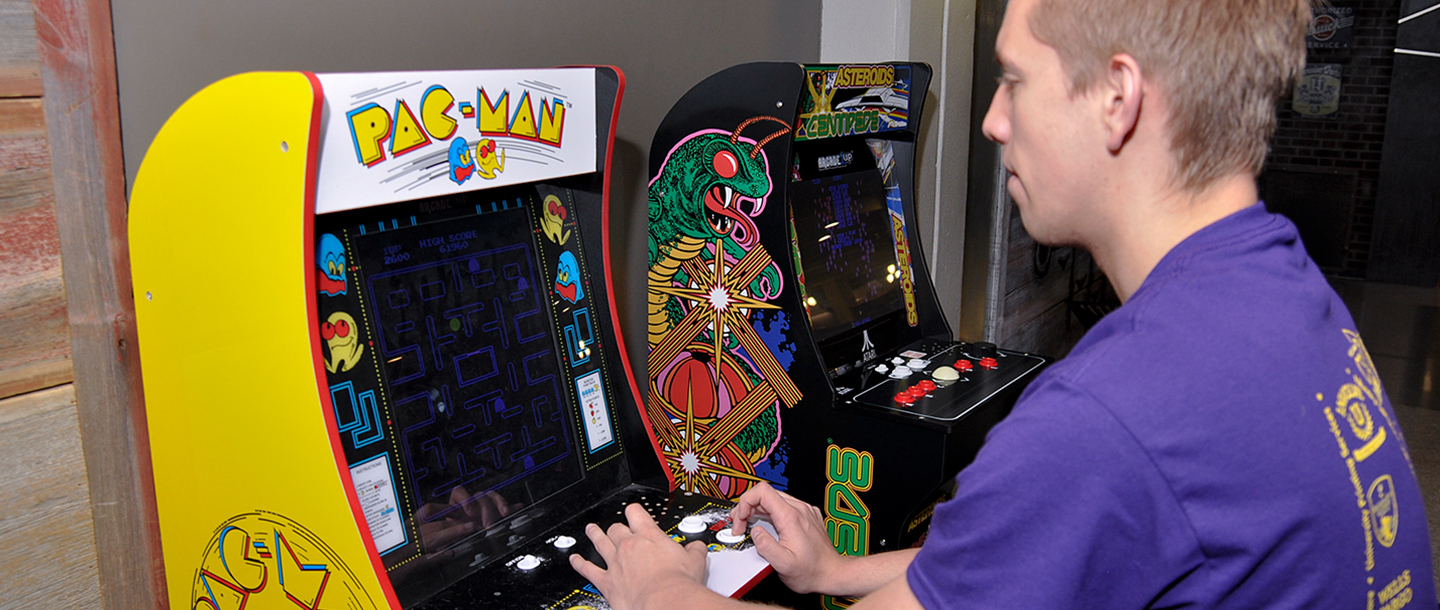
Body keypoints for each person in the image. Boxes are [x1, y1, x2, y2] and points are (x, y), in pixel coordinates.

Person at [571, 0, 1438, 607]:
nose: (990, 121)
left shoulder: (1113, 413)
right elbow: (1036, 561)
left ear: (1118, 98)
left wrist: (660, 592)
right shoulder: (1284, 294)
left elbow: (1102, 477)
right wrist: (838, 572)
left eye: (1015, 81)